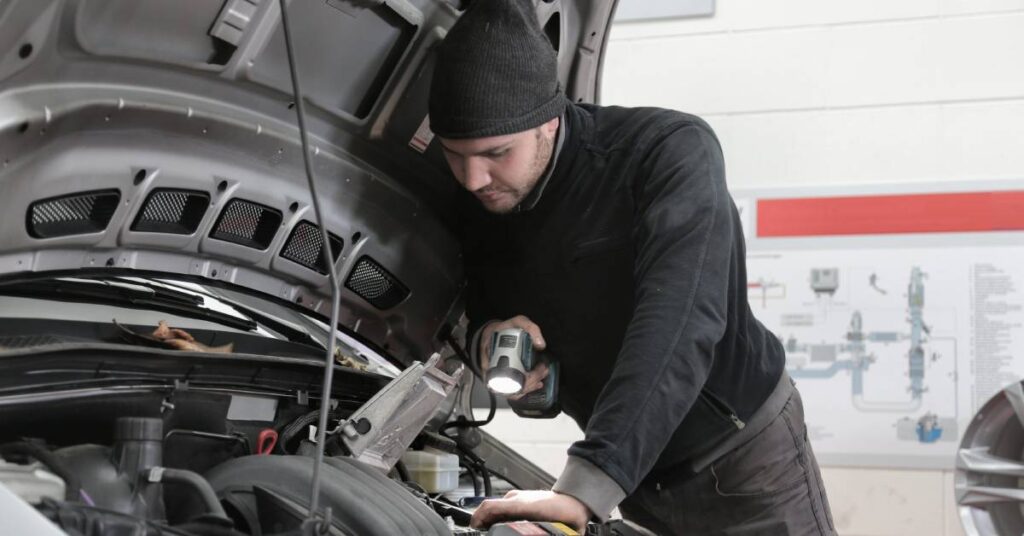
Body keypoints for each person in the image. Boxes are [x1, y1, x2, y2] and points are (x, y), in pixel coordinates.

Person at [428, 1, 835, 534]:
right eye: (455, 155)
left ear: (548, 121)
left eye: (496, 153)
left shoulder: (665, 154)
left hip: (746, 462)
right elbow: (479, 303)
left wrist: (587, 482)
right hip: (638, 478)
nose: (473, 178)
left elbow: (680, 323)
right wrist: (487, 341)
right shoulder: (478, 204)